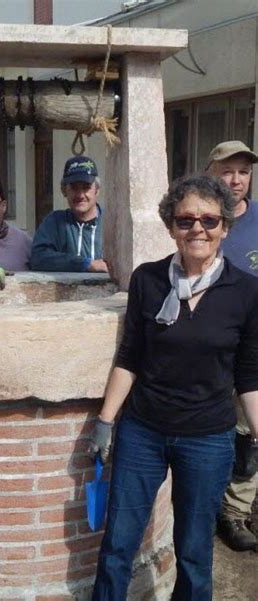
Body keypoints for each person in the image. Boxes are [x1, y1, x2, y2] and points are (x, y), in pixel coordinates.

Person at [88, 175, 258, 600]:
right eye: (185, 220)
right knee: (117, 546)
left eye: (209, 220)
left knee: (194, 551)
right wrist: (106, 421)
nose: (197, 229)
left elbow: (249, 372)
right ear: (170, 226)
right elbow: (130, 356)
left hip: (208, 438)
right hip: (142, 431)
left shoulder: (247, 290)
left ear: (224, 227)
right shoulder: (148, 280)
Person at [206, 140, 258, 551]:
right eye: (227, 170)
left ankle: (235, 513)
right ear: (211, 173)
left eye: (243, 171)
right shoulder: (199, 221)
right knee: (210, 433)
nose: (236, 179)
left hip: (253, 351)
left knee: (248, 435)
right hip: (211, 350)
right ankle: (203, 507)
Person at [30, 155, 108, 273]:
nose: (80, 195)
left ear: (97, 190)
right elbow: (38, 258)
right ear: (64, 190)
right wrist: (87, 264)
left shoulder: (111, 222)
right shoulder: (55, 222)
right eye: (74, 188)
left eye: (86, 188)